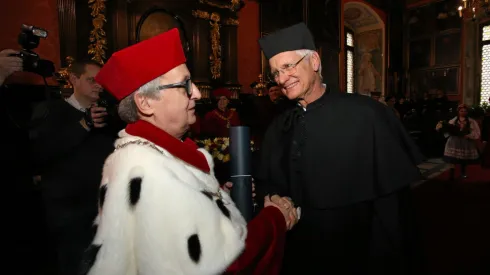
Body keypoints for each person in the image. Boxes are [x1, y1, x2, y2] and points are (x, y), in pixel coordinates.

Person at [81, 28, 299, 275]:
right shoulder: (147, 170)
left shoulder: (157, 151)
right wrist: (276, 218)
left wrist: (215, 197)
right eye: (184, 84)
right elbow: (223, 263)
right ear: (145, 102)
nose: (196, 92)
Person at [256, 23, 425, 275]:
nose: (281, 79)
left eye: (288, 66)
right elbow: (269, 180)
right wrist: (272, 197)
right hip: (298, 250)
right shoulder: (279, 125)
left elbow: (392, 208)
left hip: (355, 251)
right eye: (275, 72)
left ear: (313, 61)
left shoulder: (367, 115)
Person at [29, 60, 120, 275]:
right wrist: (83, 125)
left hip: (105, 210)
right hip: (69, 214)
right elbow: (41, 153)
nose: (98, 85)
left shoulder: (107, 116)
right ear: (74, 79)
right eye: (91, 80)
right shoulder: (51, 110)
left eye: (101, 81)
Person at [436, 104, 481, 179]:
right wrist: (442, 128)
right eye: (461, 111)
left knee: (463, 158)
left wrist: (468, 135)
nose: (463, 112)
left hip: (465, 141)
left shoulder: (471, 121)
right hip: (454, 141)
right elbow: (448, 128)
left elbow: (475, 131)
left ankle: (463, 172)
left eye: (465, 111)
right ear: (458, 111)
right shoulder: (454, 120)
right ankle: (451, 174)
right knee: (452, 158)